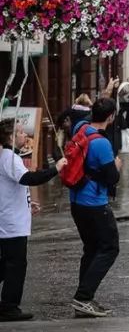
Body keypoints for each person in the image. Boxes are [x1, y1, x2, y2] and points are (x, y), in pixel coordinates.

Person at [0, 119, 67, 321]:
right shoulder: (10, 158)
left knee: (6, 264)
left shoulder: (8, 157)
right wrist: (56, 168)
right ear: (11, 137)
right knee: (15, 265)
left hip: (12, 220)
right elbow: (30, 179)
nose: (25, 136)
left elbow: (14, 187)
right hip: (12, 225)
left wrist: (28, 204)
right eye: (21, 132)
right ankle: (8, 307)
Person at [69, 98, 122, 318]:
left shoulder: (80, 128)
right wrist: (117, 166)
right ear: (110, 117)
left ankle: (84, 301)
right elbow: (112, 178)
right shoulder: (101, 143)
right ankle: (83, 297)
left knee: (91, 249)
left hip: (76, 201)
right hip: (95, 203)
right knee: (110, 248)